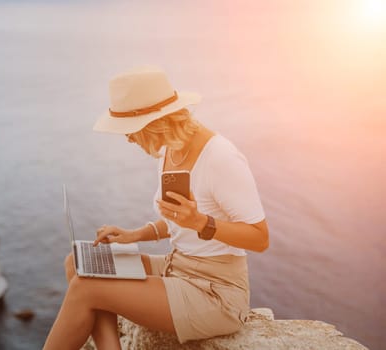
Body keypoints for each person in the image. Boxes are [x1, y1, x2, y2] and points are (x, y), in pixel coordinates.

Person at [43, 65, 269, 350]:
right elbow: (179, 220)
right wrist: (134, 235)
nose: (127, 138)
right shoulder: (169, 151)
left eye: (129, 130)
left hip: (215, 293)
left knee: (87, 287)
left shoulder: (221, 158)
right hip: (178, 267)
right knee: (76, 263)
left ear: (153, 123)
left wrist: (202, 223)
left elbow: (260, 238)